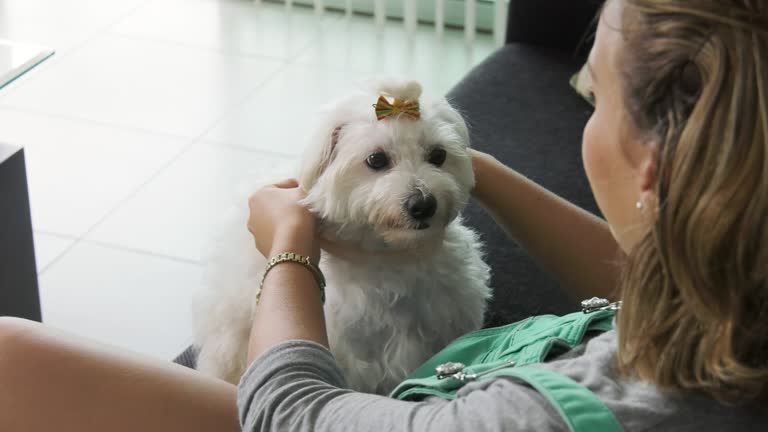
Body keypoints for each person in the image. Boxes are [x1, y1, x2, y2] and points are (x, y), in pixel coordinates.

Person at [0, 0, 766, 430]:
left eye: (591, 98)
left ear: (654, 171)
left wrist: (290, 248)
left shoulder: (541, 418)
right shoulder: (733, 296)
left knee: (11, 358)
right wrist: (470, 167)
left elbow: (291, 412)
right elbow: (649, 277)